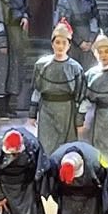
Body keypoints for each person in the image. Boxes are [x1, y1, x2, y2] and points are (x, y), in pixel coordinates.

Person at [39, 142, 108, 214]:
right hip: (67, 198)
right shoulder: (55, 160)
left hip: (90, 199)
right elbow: (52, 182)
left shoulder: (95, 159)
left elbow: (104, 180)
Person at [33, 20, 87, 149]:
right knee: (46, 147)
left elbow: (81, 96)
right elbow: (36, 90)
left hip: (67, 112)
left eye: (64, 43)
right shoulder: (41, 65)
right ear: (52, 44)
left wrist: (79, 120)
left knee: (66, 148)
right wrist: (32, 114)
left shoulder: (75, 68)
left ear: (69, 45)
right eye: (57, 42)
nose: (60, 46)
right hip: (47, 110)